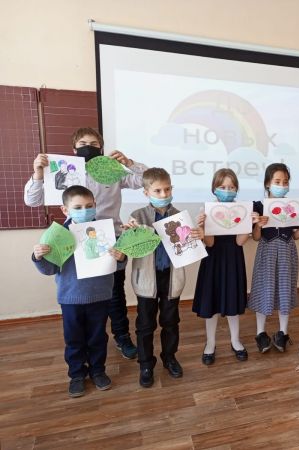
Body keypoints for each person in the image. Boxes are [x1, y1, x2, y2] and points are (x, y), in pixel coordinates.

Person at [24, 127, 147, 360]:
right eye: (82, 144)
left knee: (114, 293)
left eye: (93, 143)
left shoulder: (111, 170)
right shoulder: (62, 170)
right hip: (74, 241)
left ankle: (122, 337)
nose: (88, 147)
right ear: (74, 149)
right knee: (81, 294)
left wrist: (130, 163)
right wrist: (38, 174)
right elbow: (32, 200)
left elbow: (146, 180)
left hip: (110, 239)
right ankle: (84, 345)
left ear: (101, 148)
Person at [32, 185, 126, 397]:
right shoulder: (58, 235)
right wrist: (38, 257)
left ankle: (98, 371)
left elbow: (117, 264)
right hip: (71, 298)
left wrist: (121, 257)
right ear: (65, 210)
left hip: (100, 295)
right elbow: (50, 269)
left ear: (95, 205)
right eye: (78, 207)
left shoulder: (105, 232)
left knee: (98, 337)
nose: (85, 210)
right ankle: (76, 375)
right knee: (74, 339)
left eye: (89, 206)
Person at [126, 168, 203, 388]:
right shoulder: (137, 216)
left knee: (170, 321)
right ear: (146, 192)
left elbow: (188, 249)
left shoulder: (180, 217)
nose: (163, 194)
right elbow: (130, 249)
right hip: (146, 280)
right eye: (158, 191)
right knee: (145, 324)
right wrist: (132, 233)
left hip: (171, 277)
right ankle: (146, 364)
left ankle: (169, 357)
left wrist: (196, 237)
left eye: (167, 189)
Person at [193, 168, 258, 365]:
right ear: (214, 188)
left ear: (237, 189)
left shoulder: (242, 209)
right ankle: (210, 343)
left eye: (231, 187)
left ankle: (235, 341)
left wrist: (249, 224)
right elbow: (210, 243)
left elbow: (240, 242)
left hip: (233, 259)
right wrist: (202, 227)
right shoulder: (207, 210)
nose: (227, 191)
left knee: (232, 301)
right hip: (213, 260)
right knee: (211, 303)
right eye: (222, 187)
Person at [249, 163, 299, 353]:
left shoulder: (292, 206)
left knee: (285, 290)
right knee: (263, 290)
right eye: (277, 181)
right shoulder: (258, 206)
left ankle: (283, 333)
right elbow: (256, 237)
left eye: (285, 182)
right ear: (267, 183)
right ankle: (260, 333)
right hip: (266, 252)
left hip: (287, 251)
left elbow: (296, 235)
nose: (282, 185)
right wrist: (258, 225)